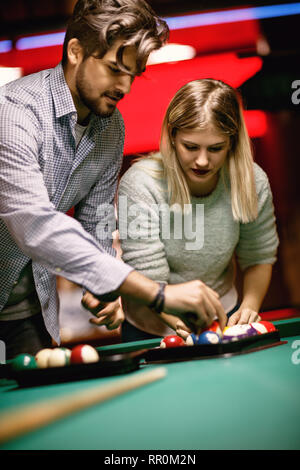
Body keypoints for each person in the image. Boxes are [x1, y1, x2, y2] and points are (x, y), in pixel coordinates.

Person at [0, 1, 227, 359]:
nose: (125, 87)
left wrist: (103, 285)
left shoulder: (111, 128)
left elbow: (96, 225)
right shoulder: (14, 111)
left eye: (133, 74)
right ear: (76, 51)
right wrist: (154, 292)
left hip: (30, 314)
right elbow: (34, 224)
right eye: (114, 69)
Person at [118, 78, 279, 342]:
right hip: (151, 326)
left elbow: (259, 256)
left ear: (233, 142)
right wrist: (185, 333)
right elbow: (149, 280)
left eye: (216, 148)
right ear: (172, 136)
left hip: (224, 316)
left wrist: (249, 307)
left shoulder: (252, 180)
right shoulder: (140, 184)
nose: (203, 160)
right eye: (191, 147)